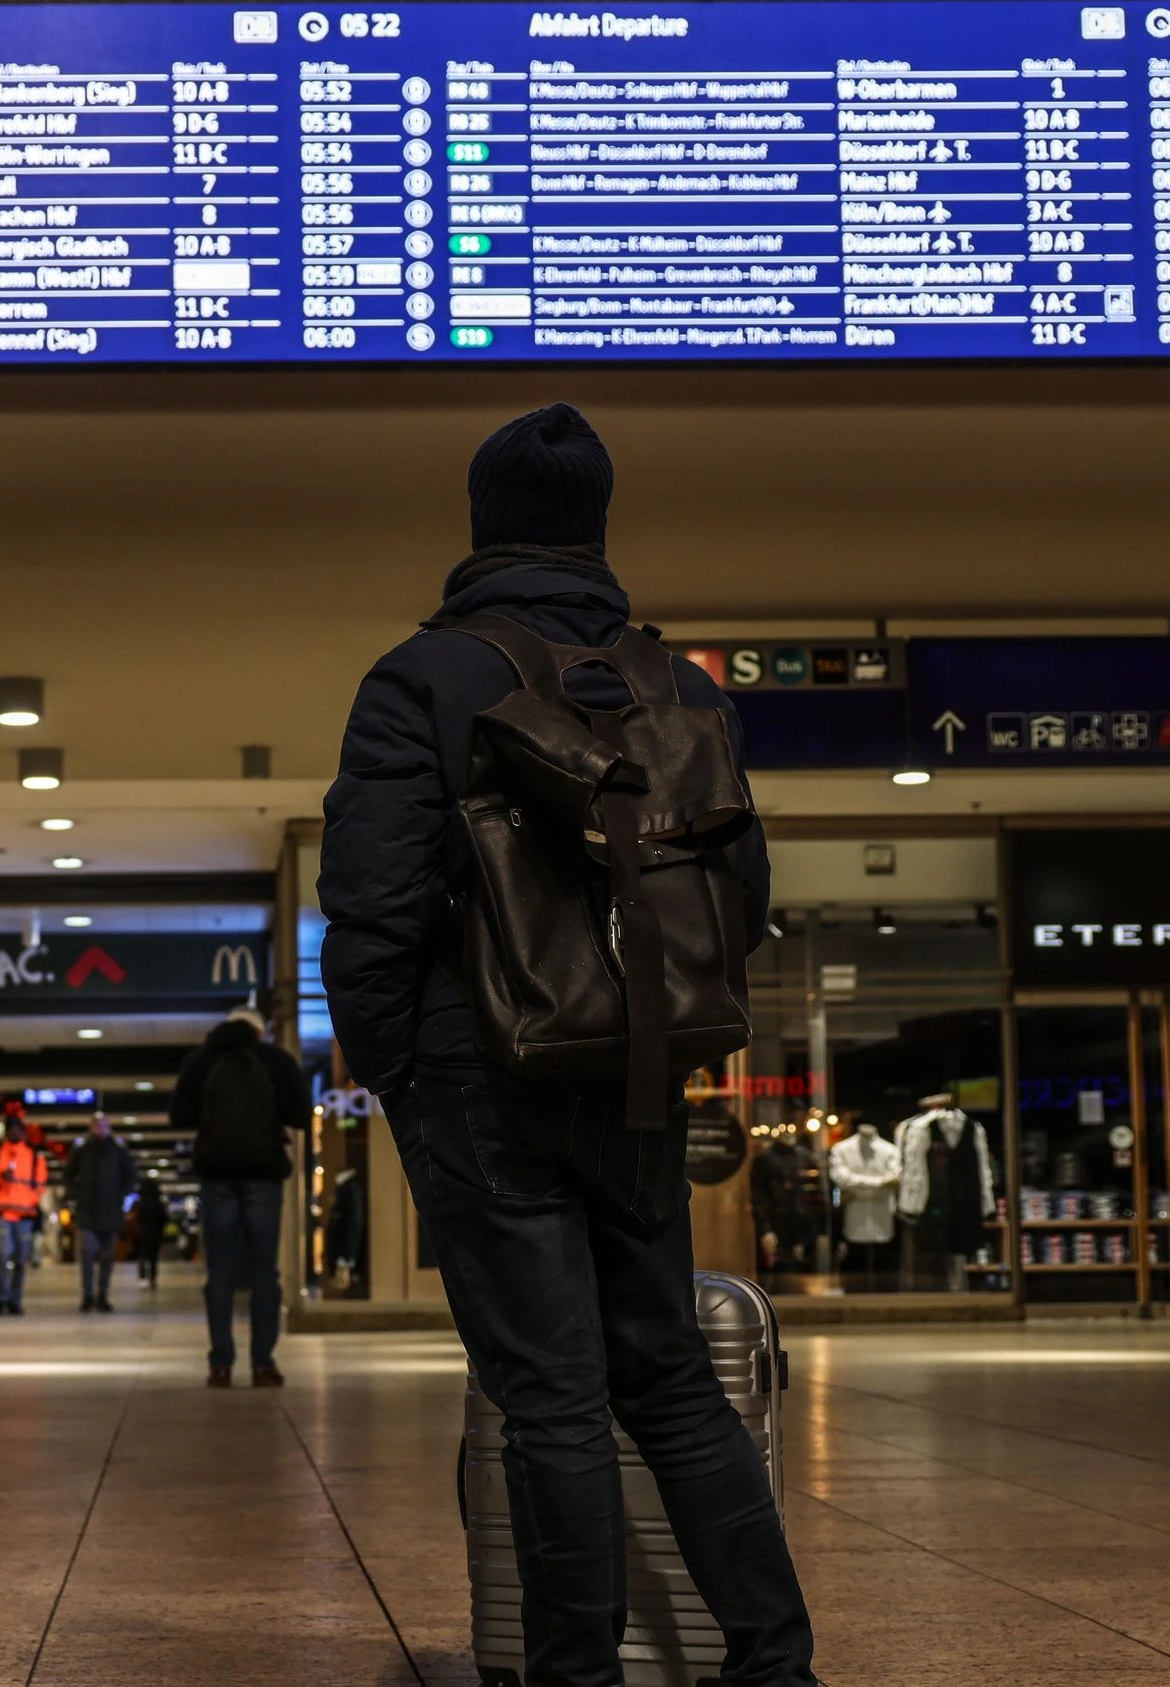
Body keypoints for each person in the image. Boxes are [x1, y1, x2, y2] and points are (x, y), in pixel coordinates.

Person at [318, 403, 818, 1687]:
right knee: (664, 1376)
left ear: (483, 523)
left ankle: (574, 1677)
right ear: (596, 527)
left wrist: (399, 1066)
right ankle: (773, 1664)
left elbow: (373, 905)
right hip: (639, 1073)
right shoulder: (677, 686)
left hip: (482, 1071)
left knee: (548, 1392)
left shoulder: (424, 678)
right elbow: (740, 900)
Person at [172, 1005, 300, 1386]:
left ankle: (221, 1363)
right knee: (264, 1273)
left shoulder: (201, 1059)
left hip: (216, 1179)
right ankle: (263, 1363)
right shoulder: (276, 1059)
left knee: (220, 1274)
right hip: (263, 1178)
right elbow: (297, 1113)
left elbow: (179, 1115)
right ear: (260, 1031)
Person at [65, 1110, 139, 1311]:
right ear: (91, 1127)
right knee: (87, 1254)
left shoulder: (118, 1150)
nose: (101, 1129)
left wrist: (121, 1195)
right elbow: (68, 1175)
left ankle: (103, 1295)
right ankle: (87, 1295)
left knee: (107, 1256)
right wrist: (77, 1195)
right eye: (97, 1125)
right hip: (87, 1211)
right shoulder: (82, 1150)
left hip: (110, 1211)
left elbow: (131, 1176)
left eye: (104, 1125)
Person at [0, 1107, 47, 1315]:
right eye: (11, 1129)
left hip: (25, 1216)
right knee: (3, 1257)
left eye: (18, 1129)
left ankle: (15, 1300)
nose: (15, 1133)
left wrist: (29, 1201)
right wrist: (0, 1176)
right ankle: (1, 1299)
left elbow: (40, 1185)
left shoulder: (35, 1158)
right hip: (1, 1215)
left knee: (20, 1260)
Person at [130, 1178, 168, 1286]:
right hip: (155, 1233)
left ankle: (142, 1278)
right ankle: (153, 1278)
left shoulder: (138, 1204)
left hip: (140, 1234)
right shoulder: (159, 1203)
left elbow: (133, 1218)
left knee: (141, 1256)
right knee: (153, 1257)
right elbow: (164, 1219)